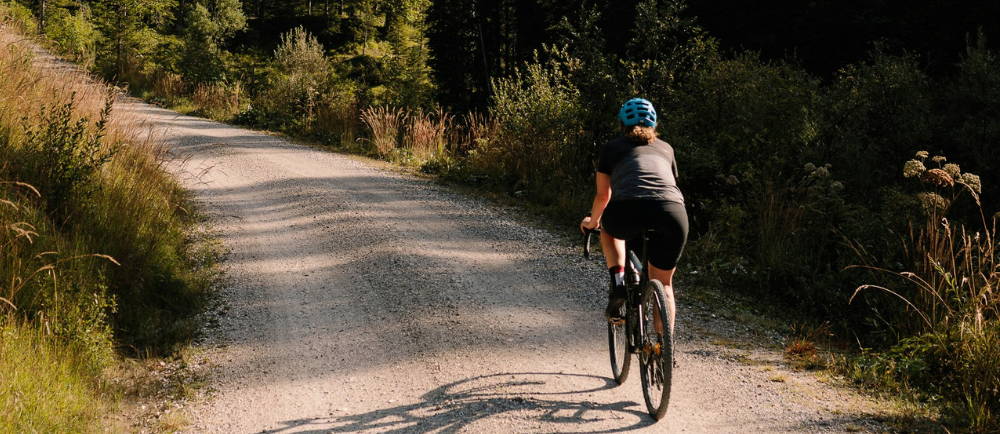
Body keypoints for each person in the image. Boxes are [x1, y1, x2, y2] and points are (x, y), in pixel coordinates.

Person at [579, 98, 689, 322]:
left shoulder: (612, 148)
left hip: (628, 208)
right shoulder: (666, 148)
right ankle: (662, 350)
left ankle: (619, 279)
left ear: (622, 124)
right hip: (673, 212)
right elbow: (671, 185)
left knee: (606, 228)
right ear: (654, 123)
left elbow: (603, 196)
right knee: (666, 285)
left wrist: (592, 222)